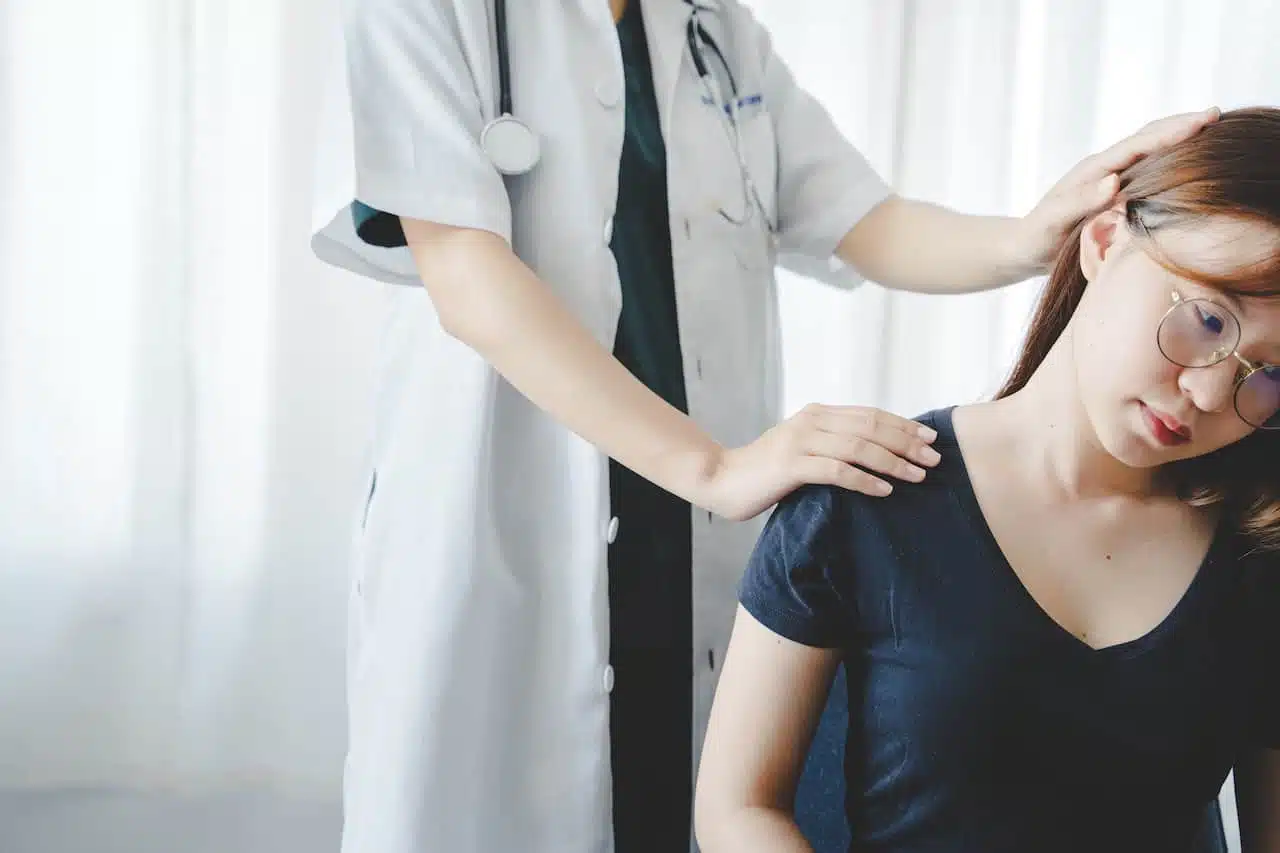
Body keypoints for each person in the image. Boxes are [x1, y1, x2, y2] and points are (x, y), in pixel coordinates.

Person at [308, 0, 1219, 850]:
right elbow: (465, 271)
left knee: (685, 795)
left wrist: (1030, 235)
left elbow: (868, 223)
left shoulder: (711, 26)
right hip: (512, 520)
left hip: (692, 537)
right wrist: (713, 468)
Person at [693, 106, 1280, 853]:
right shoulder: (864, 492)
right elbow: (738, 810)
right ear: (1103, 242)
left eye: (1267, 377)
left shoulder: (1259, 562)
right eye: (1207, 320)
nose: (1207, 393)